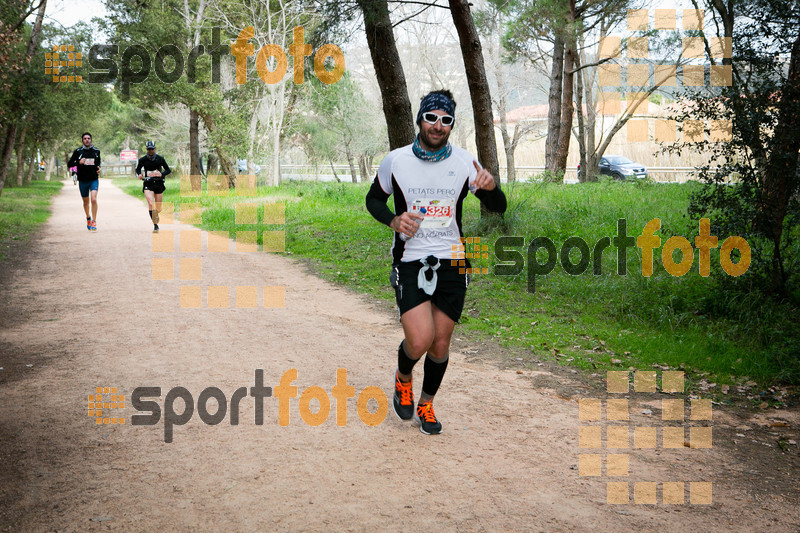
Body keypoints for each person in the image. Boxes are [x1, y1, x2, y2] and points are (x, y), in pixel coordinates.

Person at [365, 89, 507, 434]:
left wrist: (489, 188)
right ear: (420, 119)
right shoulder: (396, 161)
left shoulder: (463, 162)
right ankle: (403, 377)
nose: (438, 125)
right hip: (411, 260)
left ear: (451, 125)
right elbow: (373, 200)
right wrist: (394, 221)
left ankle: (426, 404)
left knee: (440, 343)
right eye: (432, 118)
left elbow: (498, 207)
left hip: (453, 262)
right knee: (419, 340)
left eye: (446, 120)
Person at [67, 132, 101, 231]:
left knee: (93, 199)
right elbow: (69, 164)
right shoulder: (78, 151)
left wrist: (99, 169)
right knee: (86, 202)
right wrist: (79, 162)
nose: (87, 140)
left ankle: (94, 221)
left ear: (91, 140)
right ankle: (88, 218)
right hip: (82, 180)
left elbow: (98, 163)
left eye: (89, 138)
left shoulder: (96, 151)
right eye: (85, 138)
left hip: (93, 179)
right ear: (82, 140)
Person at [136, 141, 171, 233]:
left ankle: (156, 215)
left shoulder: (160, 159)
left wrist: (161, 174)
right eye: (148, 149)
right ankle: (155, 225)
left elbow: (168, 170)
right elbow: (138, 168)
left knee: (158, 207)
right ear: (146, 149)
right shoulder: (143, 160)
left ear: (155, 148)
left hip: (158, 183)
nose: (150, 151)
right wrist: (139, 174)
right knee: (151, 203)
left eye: (152, 149)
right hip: (148, 183)